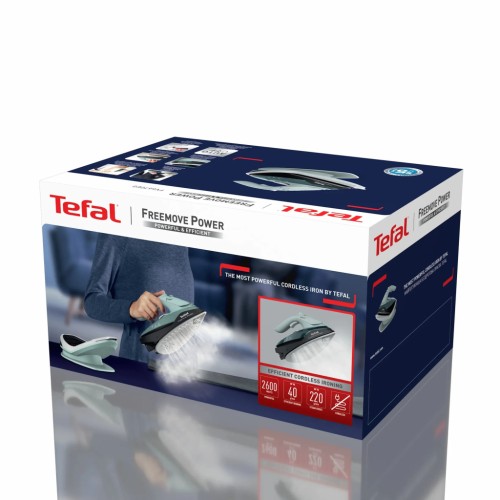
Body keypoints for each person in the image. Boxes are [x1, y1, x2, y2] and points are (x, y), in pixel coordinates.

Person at [84, 234, 194, 363]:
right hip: (144, 362)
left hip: (186, 362)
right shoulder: (117, 235)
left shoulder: (180, 236)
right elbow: (92, 301)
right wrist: (131, 308)